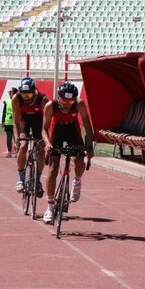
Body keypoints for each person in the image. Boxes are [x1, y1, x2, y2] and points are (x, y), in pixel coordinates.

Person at [41, 82, 95, 224]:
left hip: (72, 130)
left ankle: (77, 181)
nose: (66, 104)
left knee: (79, 160)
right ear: (58, 98)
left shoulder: (79, 104)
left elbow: (88, 128)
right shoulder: (50, 106)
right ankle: (50, 208)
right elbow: (44, 129)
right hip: (57, 131)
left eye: (70, 101)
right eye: (64, 101)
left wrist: (89, 148)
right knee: (52, 170)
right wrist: (47, 144)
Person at [11, 77, 47, 196]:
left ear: (34, 92)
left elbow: (47, 122)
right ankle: (21, 179)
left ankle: (37, 179)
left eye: (29, 96)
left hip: (39, 122)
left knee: (41, 151)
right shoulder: (16, 98)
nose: (26, 98)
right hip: (24, 122)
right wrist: (16, 139)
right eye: (24, 95)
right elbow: (16, 121)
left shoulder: (42, 100)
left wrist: (46, 141)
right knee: (23, 146)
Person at [2, 87, 17, 157]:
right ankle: (9, 152)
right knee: (9, 138)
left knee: (17, 138)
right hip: (8, 122)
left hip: (16, 122)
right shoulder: (6, 101)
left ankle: (17, 152)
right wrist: (3, 121)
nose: (10, 93)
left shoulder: (18, 101)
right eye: (9, 92)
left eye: (11, 92)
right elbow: (4, 111)